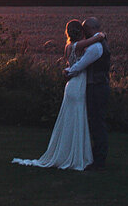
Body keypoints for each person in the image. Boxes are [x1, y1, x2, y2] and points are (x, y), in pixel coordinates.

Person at [12, 19, 105, 170]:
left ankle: (70, 151)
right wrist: (101, 34)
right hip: (78, 84)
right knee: (77, 118)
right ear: (81, 32)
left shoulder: (68, 47)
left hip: (71, 85)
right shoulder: (78, 46)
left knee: (71, 118)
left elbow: (69, 65)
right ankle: (76, 155)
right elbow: (97, 39)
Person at [64, 15, 110, 170]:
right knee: (89, 122)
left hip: (94, 86)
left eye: (86, 29)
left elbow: (80, 65)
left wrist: (68, 71)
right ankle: (86, 156)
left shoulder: (94, 46)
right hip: (87, 85)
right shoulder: (92, 43)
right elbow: (81, 64)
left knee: (96, 123)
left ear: (90, 29)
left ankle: (98, 160)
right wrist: (100, 35)